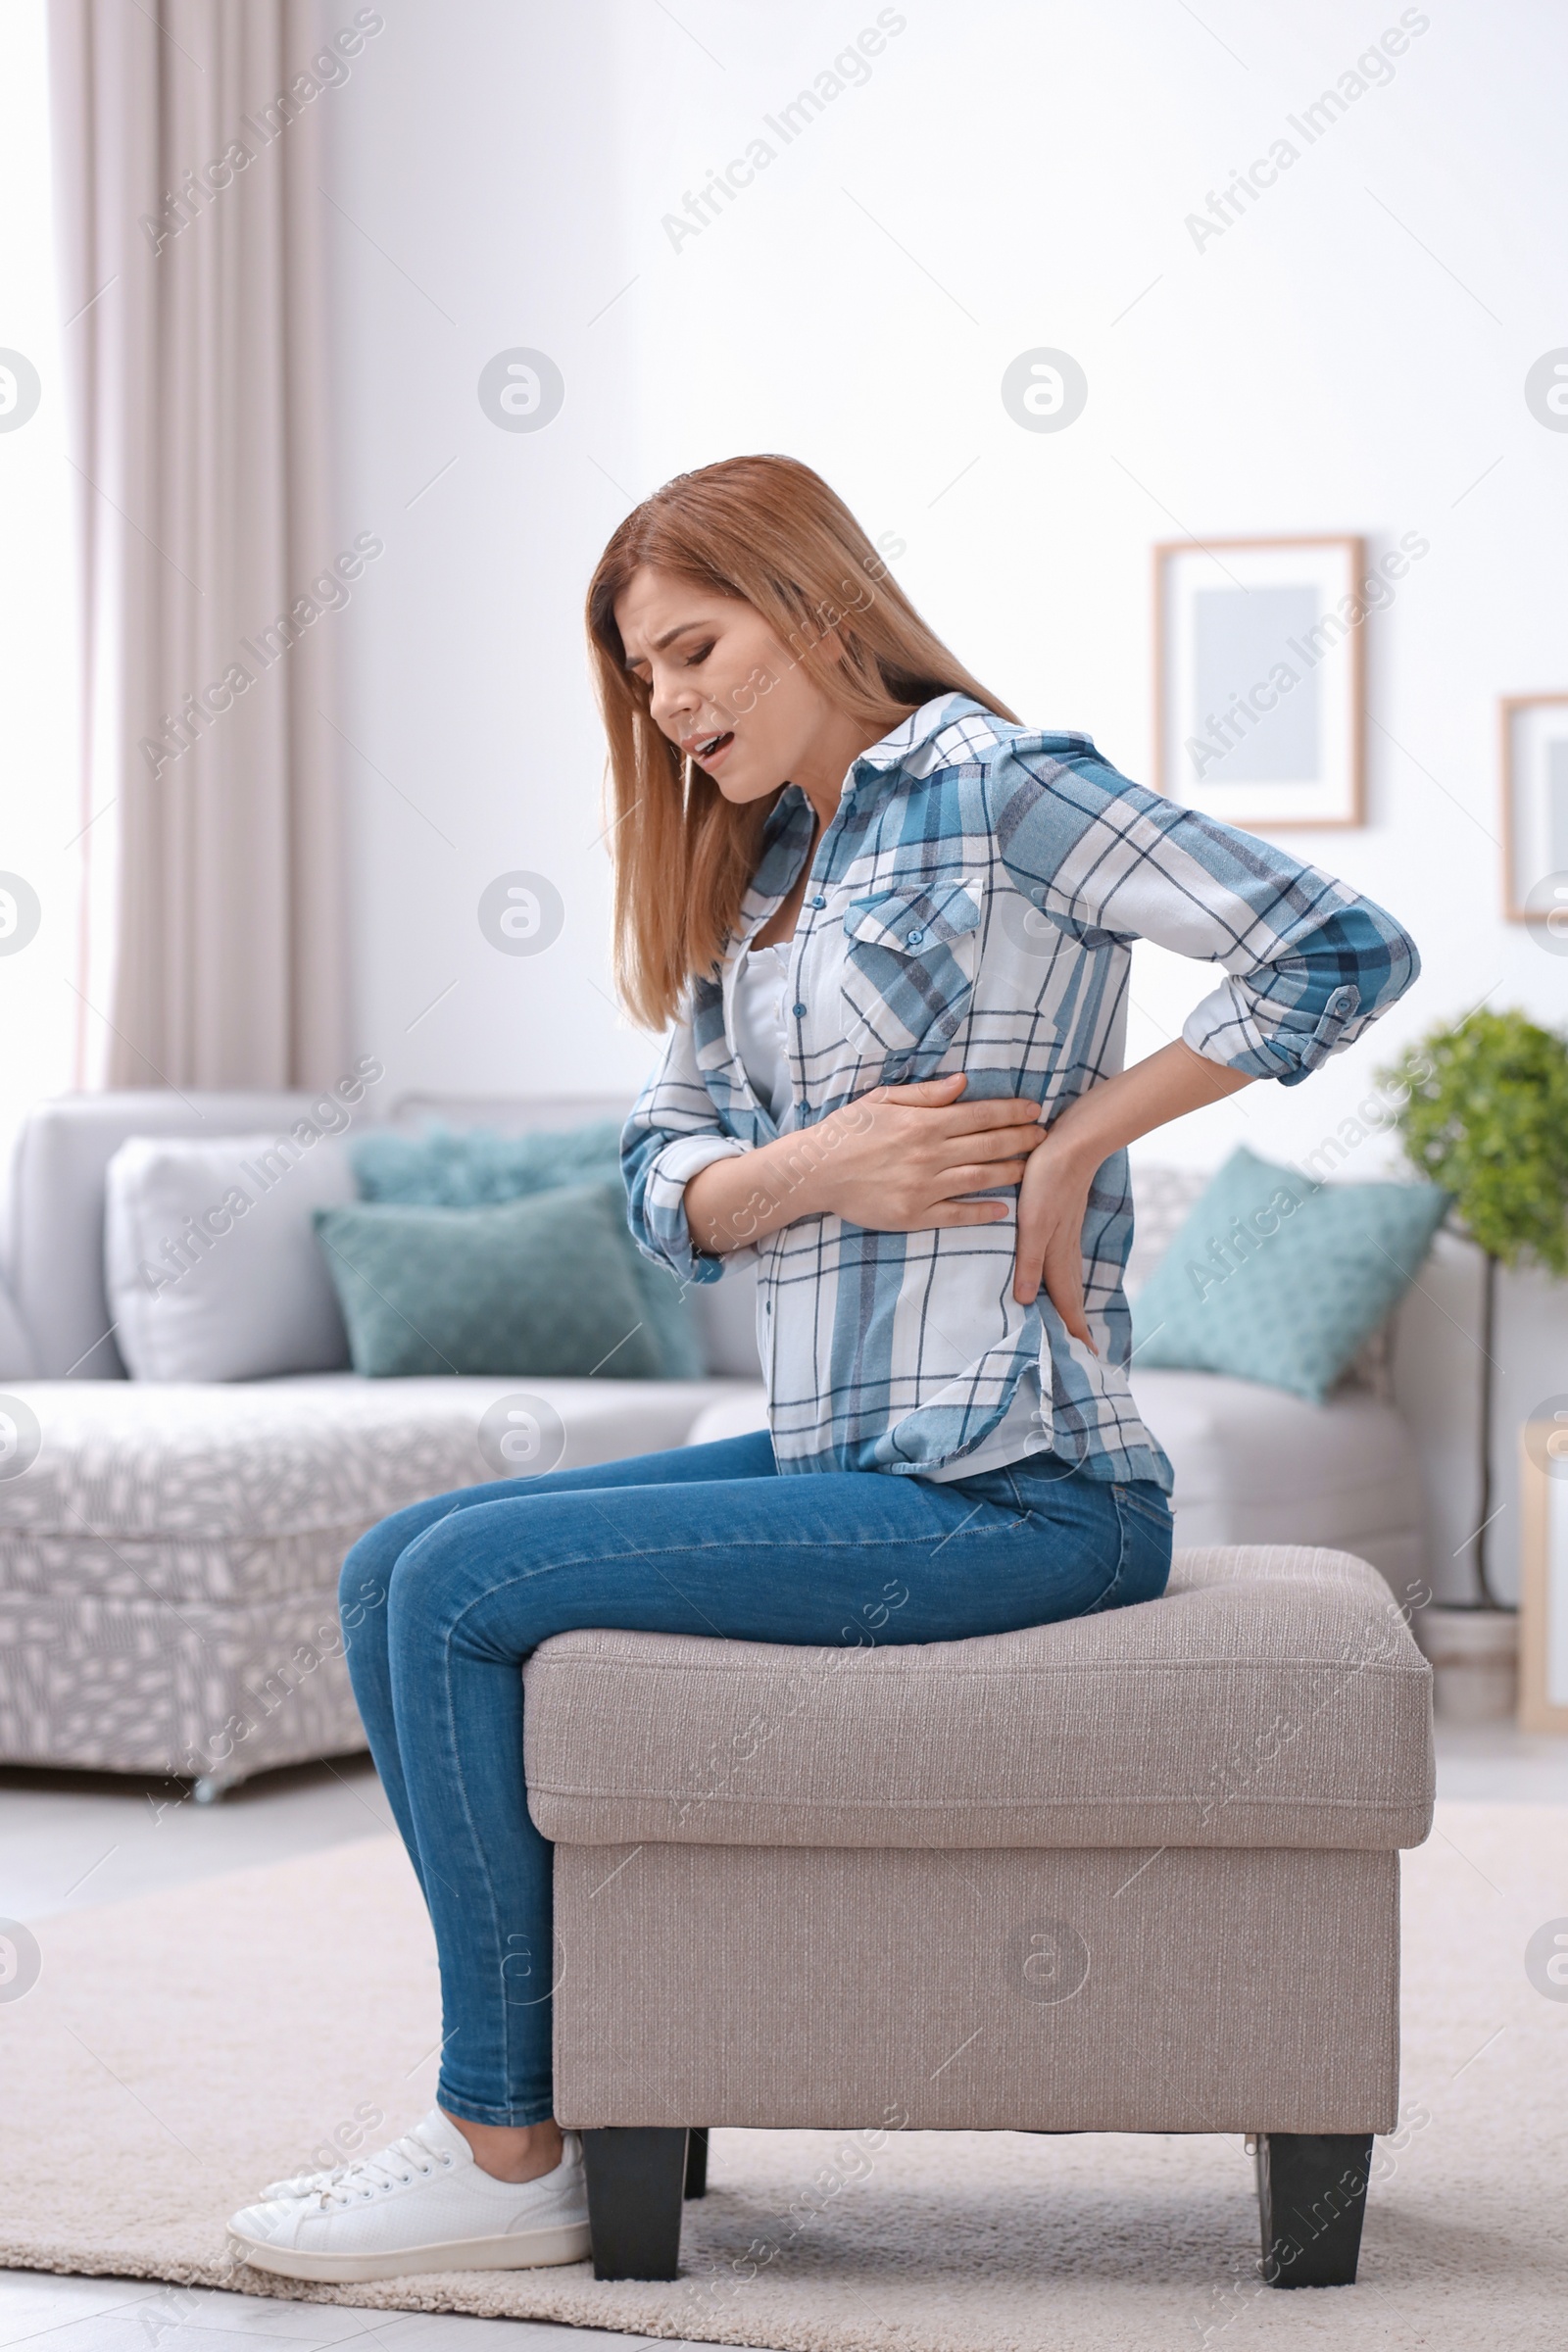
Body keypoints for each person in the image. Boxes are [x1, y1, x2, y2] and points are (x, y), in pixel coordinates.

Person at [227, 455, 1417, 2281]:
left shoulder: (1003, 790)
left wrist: (1085, 1140)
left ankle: (499, 2138)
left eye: (694, 649)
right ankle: (524, 2119)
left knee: (464, 1583)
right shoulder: (764, 870)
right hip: (836, 1458)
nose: (672, 705)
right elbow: (658, 1173)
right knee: (398, 1560)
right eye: (641, 678)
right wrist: (812, 1173)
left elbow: (1334, 945)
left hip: (1025, 1486)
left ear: (810, 604)